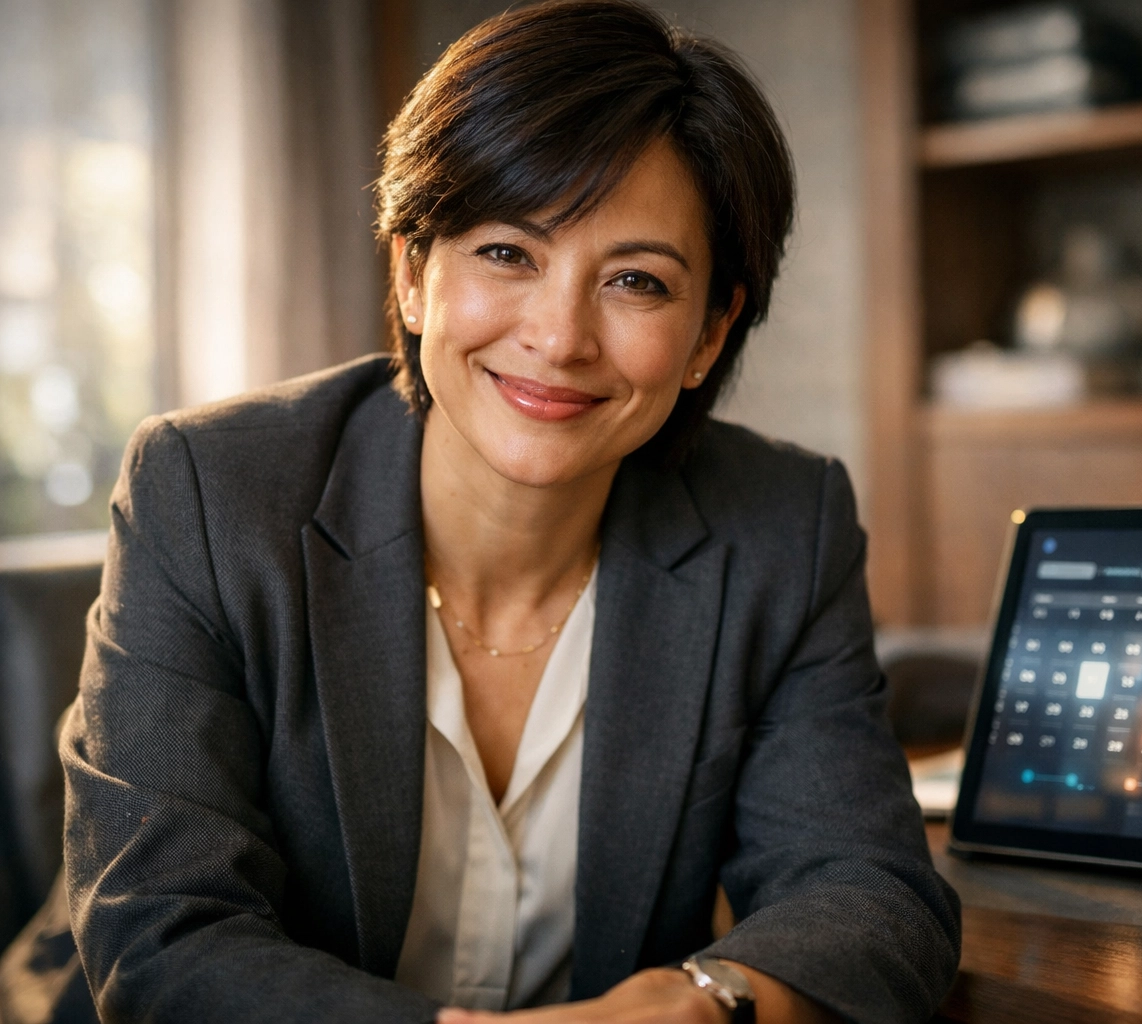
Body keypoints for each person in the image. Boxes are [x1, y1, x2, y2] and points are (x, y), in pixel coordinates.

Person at [58, 2, 960, 1022]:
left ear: (710, 334)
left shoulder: (782, 529)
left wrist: (701, 1002)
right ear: (411, 273)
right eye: (506, 253)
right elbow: (164, 932)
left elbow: (874, 898)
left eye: (635, 280)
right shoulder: (208, 490)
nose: (560, 335)